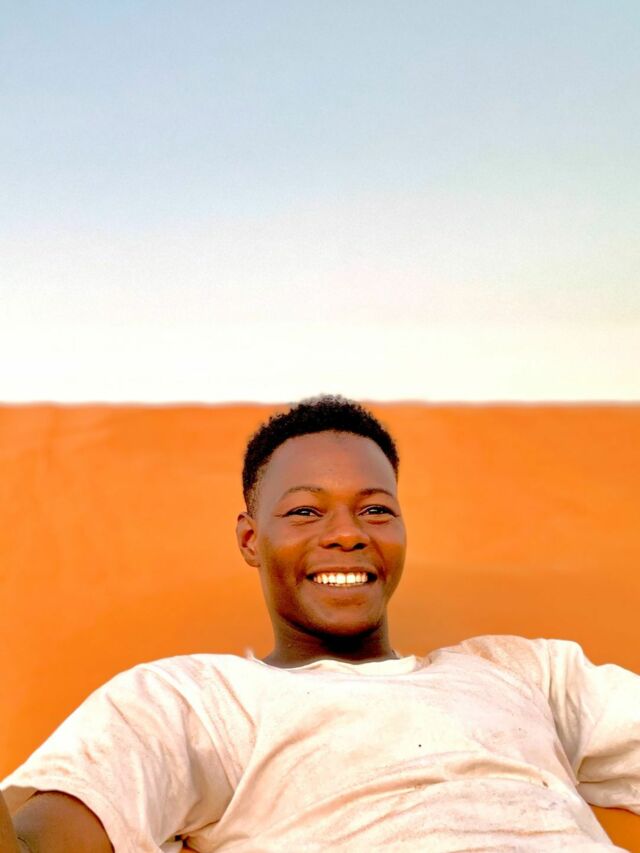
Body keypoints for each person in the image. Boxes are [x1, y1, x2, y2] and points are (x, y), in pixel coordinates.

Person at [1, 395, 639, 852]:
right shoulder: (193, 699)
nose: (347, 534)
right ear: (251, 539)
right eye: (306, 512)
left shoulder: (528, 672)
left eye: (376, 510)